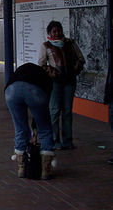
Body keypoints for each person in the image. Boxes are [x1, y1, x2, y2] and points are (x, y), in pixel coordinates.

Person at [38, 20, 85, 150]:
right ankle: (54, 141)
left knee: (67, 111)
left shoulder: (70, 43)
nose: (57, 33)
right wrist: (51, 72)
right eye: (54, 31)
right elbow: (41, 64)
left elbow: (81, 59)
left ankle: (67, 141)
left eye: (59, 30)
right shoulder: (46, 46)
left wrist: (75, 69)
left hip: (70, 80)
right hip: (55, 82)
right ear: (49, 33)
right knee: (54, 111)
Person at [5, 62, 55, 180]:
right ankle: (45, 170)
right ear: (49, 70)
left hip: (11, 90)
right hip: (34, 90)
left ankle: (22, 168)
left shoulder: (29, 68)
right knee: (45, 128)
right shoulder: (46, 79)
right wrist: (35, 129)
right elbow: (42, 111)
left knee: (20, 128)